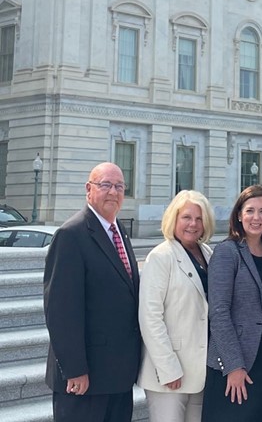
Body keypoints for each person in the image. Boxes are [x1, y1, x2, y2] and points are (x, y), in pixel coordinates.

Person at [43, 162, 140, 422]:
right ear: (89, 189)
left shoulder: (120, 233)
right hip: (85, 379)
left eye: (119, 186)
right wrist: (75, 369)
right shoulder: (71, 235)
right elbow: (60, 310)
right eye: (105, 185)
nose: (113, 192)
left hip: (118, 376)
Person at [203, 185, 262, 422]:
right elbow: (218, 313)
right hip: (238, 366)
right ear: (239, 215)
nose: (256, 217)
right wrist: (233, 366)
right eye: (250, 211)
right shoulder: (227, 252)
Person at [138, 190, 215, 422]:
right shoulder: (160, 257)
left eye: (199, 219)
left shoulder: (208, 254)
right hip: (170, 373)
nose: (193, 224)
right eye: (186, 217)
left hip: (200, 371)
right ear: (174, 219)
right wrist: (168, 368)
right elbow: (150, 317)